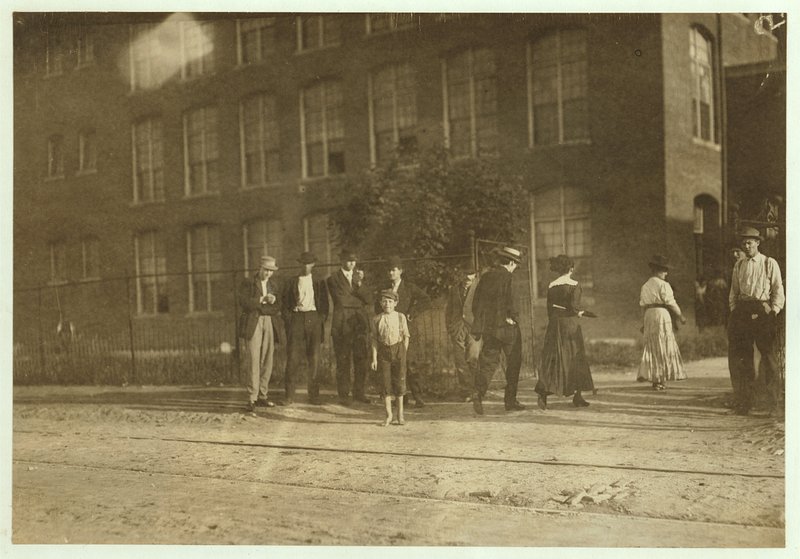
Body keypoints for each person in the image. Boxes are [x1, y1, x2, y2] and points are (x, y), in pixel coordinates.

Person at [727, 226, 785, 416]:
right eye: (744, 243)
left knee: (768, 357)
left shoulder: (769, 263)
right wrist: (735, 311)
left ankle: (772, 405)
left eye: (749, 242)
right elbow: (734, 292)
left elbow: (778, 290)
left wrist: (773, 311)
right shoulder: (739, 265)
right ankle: (744, 403)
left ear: (758, 243)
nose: (746, 246)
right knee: (743, 358)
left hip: (763, 309)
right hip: (743, 310)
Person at [470, 246, 525, 414]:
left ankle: (478, 393)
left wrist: (484, 322)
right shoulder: (509, 278)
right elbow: (513, 303)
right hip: (508, 329)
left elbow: (475, 304)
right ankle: (510, 401)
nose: (515, 267)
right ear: (511, 263)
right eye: (516, 264)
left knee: (487, 363)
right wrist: (513, 317)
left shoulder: (486, 277)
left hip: (490, 329)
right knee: (514, 362)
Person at [534, 254, 594, 409]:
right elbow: (574, 307)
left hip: (555, 324)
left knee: (552, 358)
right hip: (569, 324)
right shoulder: (575, 285)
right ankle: (577, 396)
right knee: (574, 356)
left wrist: (556, 319)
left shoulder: (552, 285)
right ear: (571, 269)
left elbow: (549, 309)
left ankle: (543, 394)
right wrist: (581, 313)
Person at [376, 256, 431, 408]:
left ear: (400, 271)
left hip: (407, 330)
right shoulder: (384, 289)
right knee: (395, 365)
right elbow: (377, 306)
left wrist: (412, 312)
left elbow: (426, 300)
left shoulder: (409, 287)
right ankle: (402, 397)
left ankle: (418, 397)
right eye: (389, 270)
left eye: (394, 270)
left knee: (410, 363)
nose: (391, 273)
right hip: (390, 332)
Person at [281, 251, 329, 405]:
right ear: (299, 264)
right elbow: (284, 304)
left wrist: (319, 320)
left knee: (314, 358)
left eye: (308, 264)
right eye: (303, 263)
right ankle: (289, 396)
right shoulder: (291, 281)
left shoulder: (319, 281)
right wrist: (290, 320)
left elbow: (325, 305)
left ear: (313, 264)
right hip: (296, 318)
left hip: (313, 318)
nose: (306, 266)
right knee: (293, 357)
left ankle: (313, 396)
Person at [238, 255, 283, 412]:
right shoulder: (249, 283)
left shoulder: (273, 285)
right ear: (260, 268)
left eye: (271, 271)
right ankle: (252, 397)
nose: (268, 273)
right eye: (266, 270)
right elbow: (244, 302)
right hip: (253, 322)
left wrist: (271, 302)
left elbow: (277, 307)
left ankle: (263, 396)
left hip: (268, 321)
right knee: (254, 359)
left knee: (267, 359)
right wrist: (262, 300)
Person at [327, 249, 371, 406]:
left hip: (359, 323)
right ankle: (344, 395)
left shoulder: (360, 277)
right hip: (342, 323)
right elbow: (341, 300)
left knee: (361, 358)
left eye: (354, 261)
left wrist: (359, 284)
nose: (352, 263)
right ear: (341, 261)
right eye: (348, 260)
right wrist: (359, 300)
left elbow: (369, 299)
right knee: (343, 359)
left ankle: (359, 392)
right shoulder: (333, 279)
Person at [637, 254, 687, 391]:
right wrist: (680, 316)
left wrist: (643, 322)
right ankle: (660, 379)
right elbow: (671, 302)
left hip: (649, 315)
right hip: (661, 315)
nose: (666, 273)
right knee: (662, 345)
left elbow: (642, 306)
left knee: (652, 345)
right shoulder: (664, 285)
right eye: (664, 270)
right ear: (656, 270)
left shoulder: (645, 286)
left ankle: (656, 379)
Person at [370, 289, 411, 426]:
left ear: (395, 303)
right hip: (384, 353)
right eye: (384, 301)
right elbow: (374, 340)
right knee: (385, 384)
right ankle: (388, 415)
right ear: (381, 303)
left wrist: (403, 352)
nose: (387, 304)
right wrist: (374, 358)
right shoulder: (377, 319)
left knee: (399, 384)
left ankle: (400, 416)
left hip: (398, 350)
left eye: (390, 301)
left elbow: (406, 336)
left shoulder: (400, 317)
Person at [445, 268, 482, 401]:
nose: (467, 279)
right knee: (460, 360)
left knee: (473, 358)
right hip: (457, 328)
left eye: (471, 276)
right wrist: (450, 327)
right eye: (465, 275)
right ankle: (466, 391)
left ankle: (475, 390)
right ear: (461, 275)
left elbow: (484, 309)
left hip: (474, 329)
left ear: (475, 276)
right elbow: (449, 310)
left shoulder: (479, 289)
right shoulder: (454, 290)